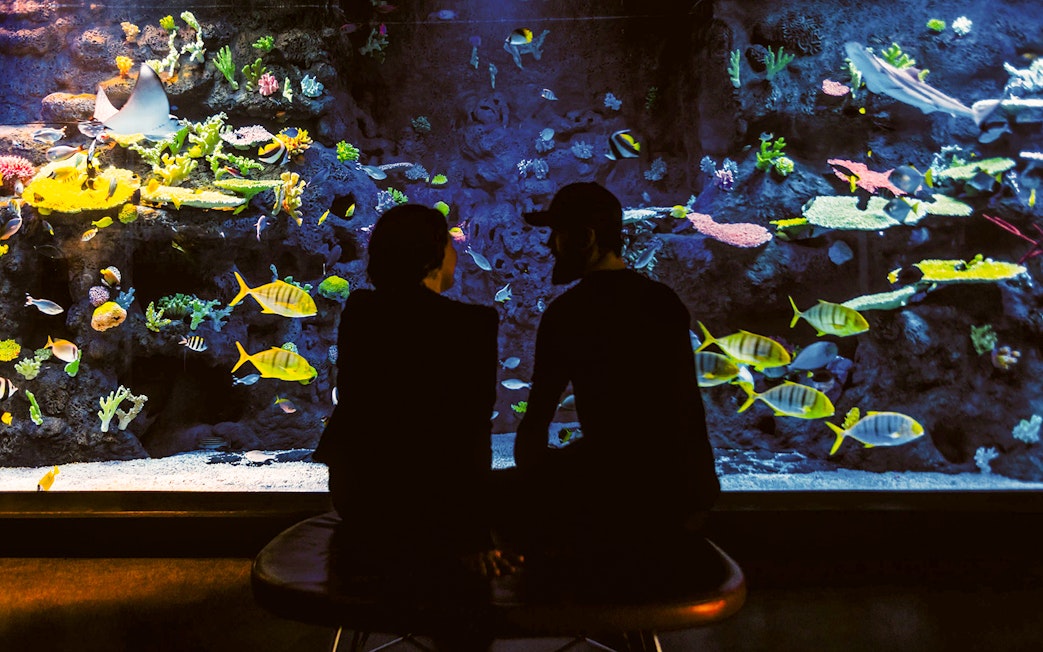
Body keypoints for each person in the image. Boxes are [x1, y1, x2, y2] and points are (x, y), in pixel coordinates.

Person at [313, 203, 514, 649]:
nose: (455, 257)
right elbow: (467, 434)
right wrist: (473, 536)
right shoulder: (472, 325)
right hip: (435, 507)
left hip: (361, 496)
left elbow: (364, 413)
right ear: (432, 256)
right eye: (448, 245)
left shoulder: (360, 311)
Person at [509, 182, 722, 596]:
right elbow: (686, 412)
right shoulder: (664, 301)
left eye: (557, 234)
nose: (550, 246)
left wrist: (533, 485)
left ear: (585, 237)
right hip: (681, 498)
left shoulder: (568, 313)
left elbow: (534, 428)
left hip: (614, 500)